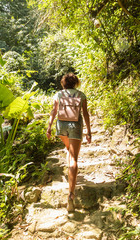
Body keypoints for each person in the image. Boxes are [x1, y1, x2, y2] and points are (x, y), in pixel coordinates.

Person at [46, 73, 92, 212]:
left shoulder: (59, 95)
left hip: (61, 127)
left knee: (68, 148)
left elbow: (54, 111)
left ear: (63, 83)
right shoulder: (81, 95)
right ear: (75, 83)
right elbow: (85, 114)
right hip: (75, 127)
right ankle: (71, 194)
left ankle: (70, 174)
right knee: (74, 159)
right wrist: (89, 131)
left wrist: (49, 127)